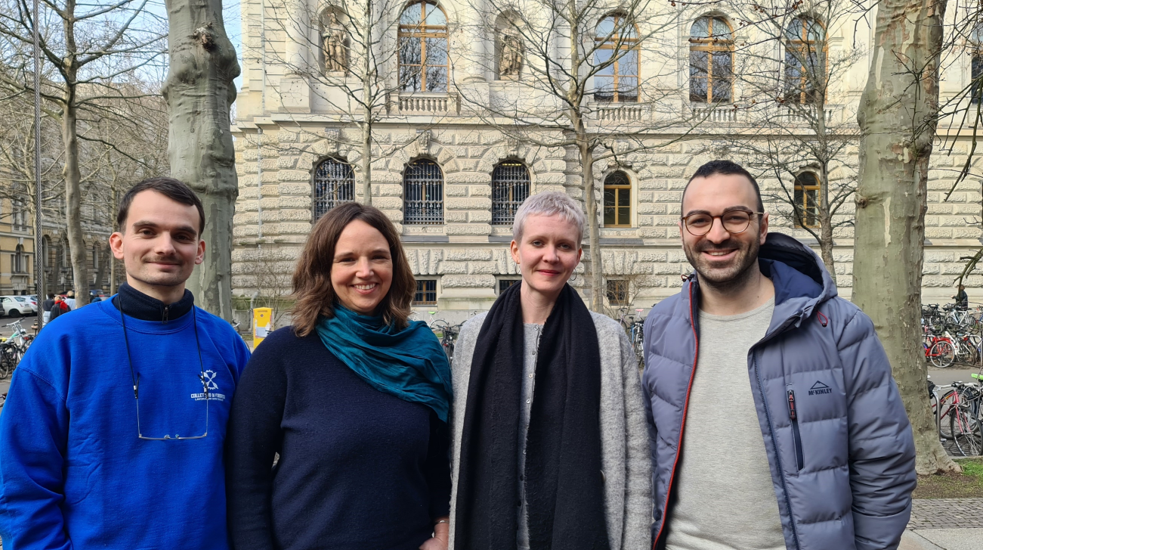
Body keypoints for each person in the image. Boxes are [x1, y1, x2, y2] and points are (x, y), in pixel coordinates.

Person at [641, 160, 916, 550]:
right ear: (683, 231)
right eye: (699, 220)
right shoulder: (661, 325)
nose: (717, 234)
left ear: (763, 226)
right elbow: (650, 453)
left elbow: (884, 461)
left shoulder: (837, 326)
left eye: (735, 217)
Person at [0, 177, 252, 549]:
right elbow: (21, 482)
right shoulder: (64, 344)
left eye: (182, 236)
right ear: (118, 244)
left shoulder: (226, 344)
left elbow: (253, 468)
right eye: (147, 231)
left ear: (199, 251)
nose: (165, 247)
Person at [225, 202, 453, 550]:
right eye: (347, 259)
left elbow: (438, 459)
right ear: (323, 269)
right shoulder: (284, 353)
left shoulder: (422, 353)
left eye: (378, 256)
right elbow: (245, 476)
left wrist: (442, 529)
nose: (366, 271)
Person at [448, 191, 651, 550]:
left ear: (578, 255)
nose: (550, 256)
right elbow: (455, 449)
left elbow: (635, 457)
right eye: (538, 242)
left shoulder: (607, 338)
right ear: (515, 250)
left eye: (564, 245)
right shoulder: (474, 336)